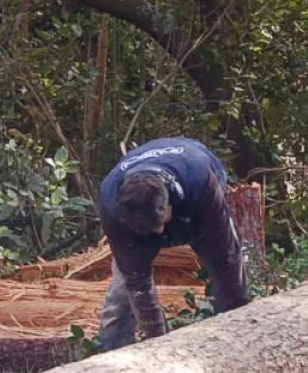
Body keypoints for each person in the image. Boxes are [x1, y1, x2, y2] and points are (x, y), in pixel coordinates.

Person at [97, 136, 250, 350]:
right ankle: (113, 354)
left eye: (160, 224)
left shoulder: (200, 181)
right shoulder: (111, 205)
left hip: (194, 203)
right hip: (136, 225)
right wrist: (159, 344)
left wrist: (237, 320)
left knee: (226, 266)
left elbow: (226, 258)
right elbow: (137, 282)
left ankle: (233, 339)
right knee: (124, 292)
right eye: (153, 230)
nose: (160, 233)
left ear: (168, 201)